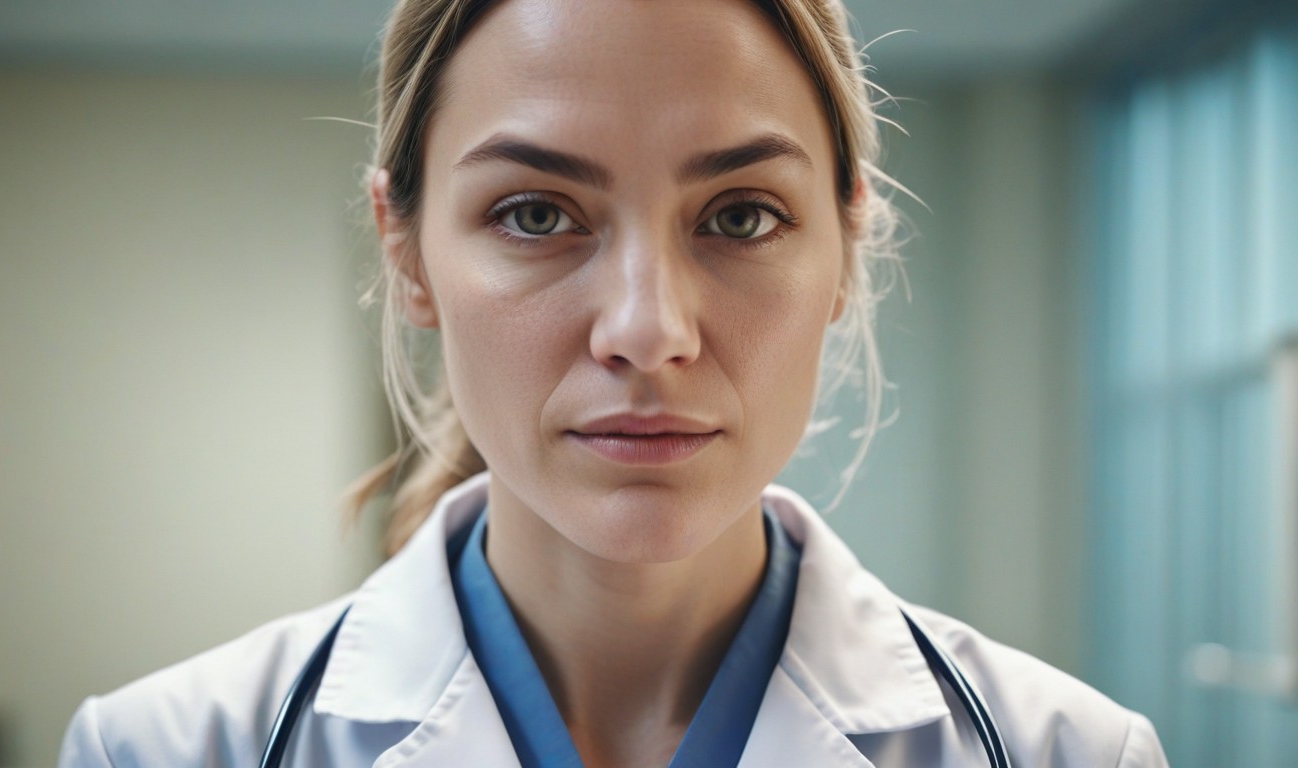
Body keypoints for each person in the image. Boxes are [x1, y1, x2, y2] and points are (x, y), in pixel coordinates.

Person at [58, 0, 1170, 766]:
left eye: (740, 216)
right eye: (536, 215)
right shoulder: (162, 749)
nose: (648, 330)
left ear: (846, 243)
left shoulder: (1063, 752)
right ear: (404, 252)